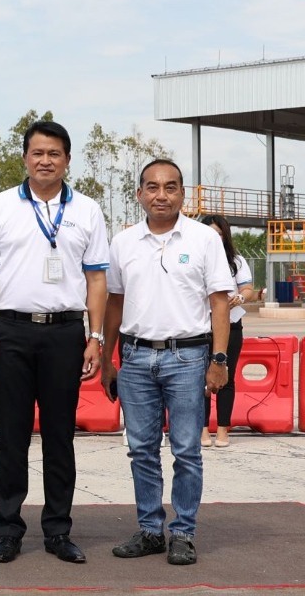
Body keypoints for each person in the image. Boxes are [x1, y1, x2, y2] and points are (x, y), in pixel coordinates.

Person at [0, 120, 109, 565]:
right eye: (37, 153)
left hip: (66, 334)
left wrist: (95, 337)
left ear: (67, 160)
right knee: (11, 435)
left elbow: (97, 279)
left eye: (54, 154)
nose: (45, 161)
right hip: (11, 331)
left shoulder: (87, 210)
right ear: (25, 158)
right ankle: (9, 529)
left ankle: (58, 531)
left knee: (59, 435)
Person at [101, 159, 232, 566]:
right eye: (153, 187)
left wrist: (219, 359)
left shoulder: (203, 239)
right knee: (141, 450)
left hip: (188, 357)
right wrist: (107, 358)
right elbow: (115, 302)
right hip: (135, 357)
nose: (162, 195)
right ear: (139, 193)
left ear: (182, 194)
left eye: (171, 187)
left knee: (187, 450)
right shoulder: (123, 242)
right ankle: (150, 530)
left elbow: (220, 302)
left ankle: (183, 533)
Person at [198, 214, 254, 448]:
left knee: (226, 376)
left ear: (225, 236)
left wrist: (239, 298)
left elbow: (248, 289)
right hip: (200, 326)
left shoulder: (236, 261)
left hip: (231, 324)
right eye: (211, 232)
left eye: (219, 233)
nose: (215, 237)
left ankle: (222, 429)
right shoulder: (194, 258)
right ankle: (202, 430)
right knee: (199, 379)